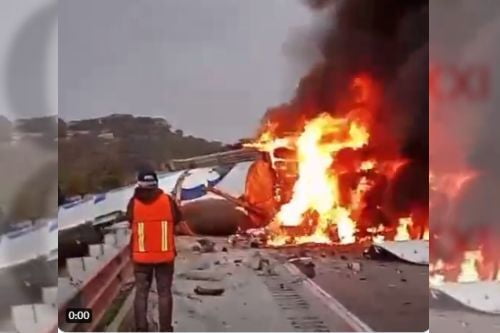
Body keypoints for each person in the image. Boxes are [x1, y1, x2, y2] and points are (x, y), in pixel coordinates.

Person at [126, 170, 182, 332]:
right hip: (165, 256)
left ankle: (141, 328)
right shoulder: (167, 201)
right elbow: (178, 218)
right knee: (164, 293)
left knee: (141, 293)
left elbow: (129, 220)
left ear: (139, 184)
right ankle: (165, 329)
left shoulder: (134, 203)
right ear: (156, 183)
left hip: (141, 257)